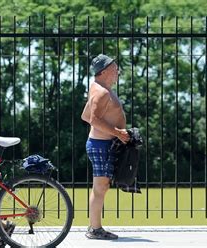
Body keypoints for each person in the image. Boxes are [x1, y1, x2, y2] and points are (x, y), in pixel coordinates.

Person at [81, 54, 130, 240]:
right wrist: (118, 132)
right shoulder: (101, 92)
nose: (117, 71)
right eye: (114, 68)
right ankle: (95, 229)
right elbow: (93, 119)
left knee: (101, 186)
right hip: (101, 144)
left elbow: (85, 115)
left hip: (103, 143)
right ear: (105, 71)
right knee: (100, 186)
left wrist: (116, 133)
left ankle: (95, 227)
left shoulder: (99, 88)